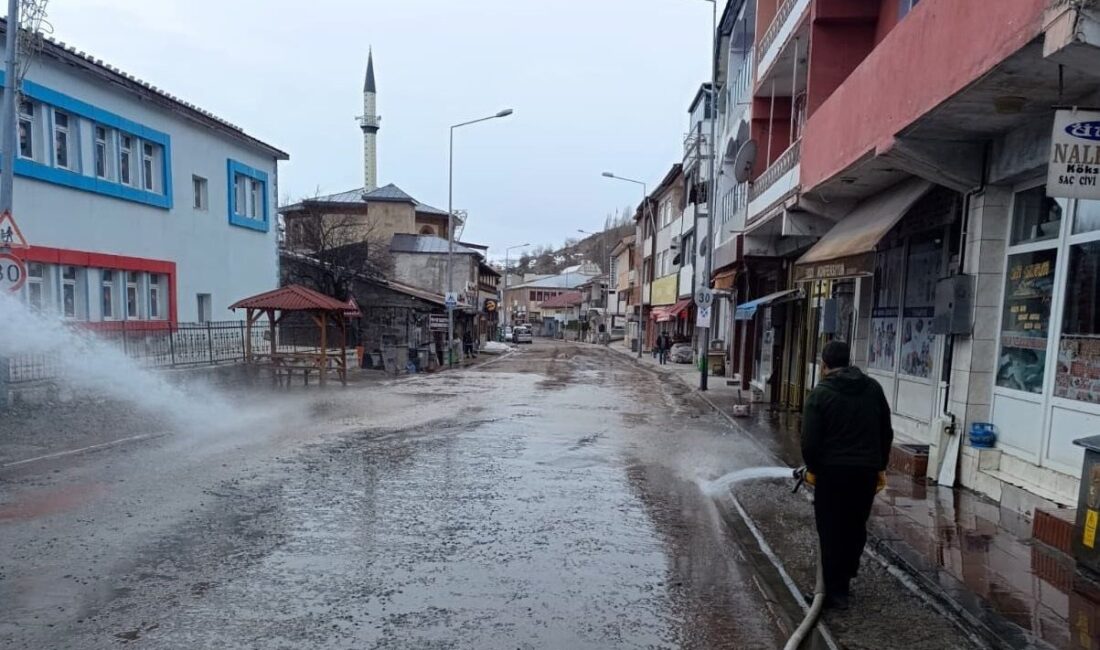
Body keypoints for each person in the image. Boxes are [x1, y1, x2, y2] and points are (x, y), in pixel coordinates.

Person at [801, 340, 893, 610]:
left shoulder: (820, 394)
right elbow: (885, 431)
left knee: (830, 530)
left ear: (824, 365)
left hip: (832, 474)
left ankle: (833, 592)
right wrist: (879, 466)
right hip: (864, 473)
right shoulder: (873, 388)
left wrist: (814, 469)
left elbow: (809, 441)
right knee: (855, 526)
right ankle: (845, 577)